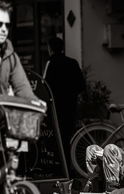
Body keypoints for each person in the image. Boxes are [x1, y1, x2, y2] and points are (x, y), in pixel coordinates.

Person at [0, 0, 43, 194]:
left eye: (7, 25)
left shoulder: (8, 54)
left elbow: (21, 87)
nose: (3, 29)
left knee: (4, 178)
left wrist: (34, 106)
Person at [44, 36, 86, 171]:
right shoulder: (72, 63)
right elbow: (81, 85)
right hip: (70, 106)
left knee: (56, 139)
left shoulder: (51, 63)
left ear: (50, 49)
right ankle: (68, 171)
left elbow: (45, 87)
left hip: (55, 108)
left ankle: (59, 170)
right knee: (67, 138)